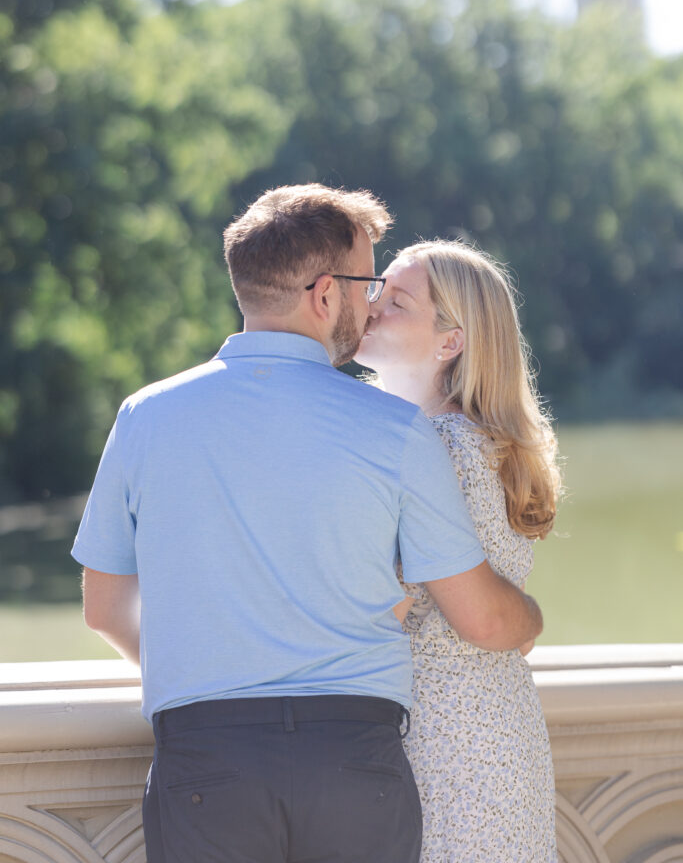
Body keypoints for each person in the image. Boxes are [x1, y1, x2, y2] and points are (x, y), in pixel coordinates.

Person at [72, 185, 543, 863]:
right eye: (365, 282)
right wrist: (533, 618)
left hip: (204, 753)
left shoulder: (143, 416)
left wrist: (212, 674)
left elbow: (104, 607)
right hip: (353, 756)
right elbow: (483, 616)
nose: (371, 300)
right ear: (325, 296)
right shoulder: (396, 430)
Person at [355, 238, 560, 863]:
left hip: (447, 750)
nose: (370, 307)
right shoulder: (480, 441)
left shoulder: (436, 446)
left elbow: (380, 604)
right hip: (493, 727)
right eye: (375, 290)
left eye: (397, 301)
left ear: (452, 341)